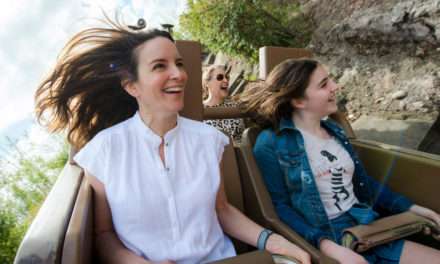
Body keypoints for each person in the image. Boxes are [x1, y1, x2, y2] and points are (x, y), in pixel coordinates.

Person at [34, 22, 311, 264]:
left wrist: (273, 241)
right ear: (132, 86)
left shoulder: (209, 140)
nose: (178, 74)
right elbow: (104, 235)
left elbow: (222, 211)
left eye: (179, 63)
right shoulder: (103, 151)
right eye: (159, 66)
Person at [240, 58, 440, 264]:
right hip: (323, 235)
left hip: (365, 228)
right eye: (324, 84)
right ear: (299, 101)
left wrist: (410, 207)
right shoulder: (270, 143)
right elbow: (279, 208)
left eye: (331, 80)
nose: (336, 86)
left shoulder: (335, 131)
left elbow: (363, 183)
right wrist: (324, 244)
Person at [202, 64, 245, 143]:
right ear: (207, 83)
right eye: (220, 77)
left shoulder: (235, 106)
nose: (226, 80)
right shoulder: (199, 110)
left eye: (227, 77)